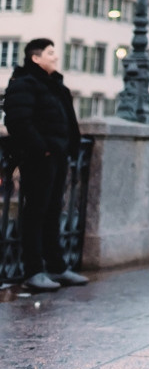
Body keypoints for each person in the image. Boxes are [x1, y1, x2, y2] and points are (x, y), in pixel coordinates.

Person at [2, 38, 89, 291]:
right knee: (36, 213)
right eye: (50, 53)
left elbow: (65, 120)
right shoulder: (25, 83)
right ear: (35, 58)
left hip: (58, 155)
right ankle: (33, 270)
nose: (55, 57)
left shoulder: (54, 85)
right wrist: (43, 149)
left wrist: (67, 148)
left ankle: (57, 267)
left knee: (52, 212)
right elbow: (17, 121)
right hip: (40, 157)